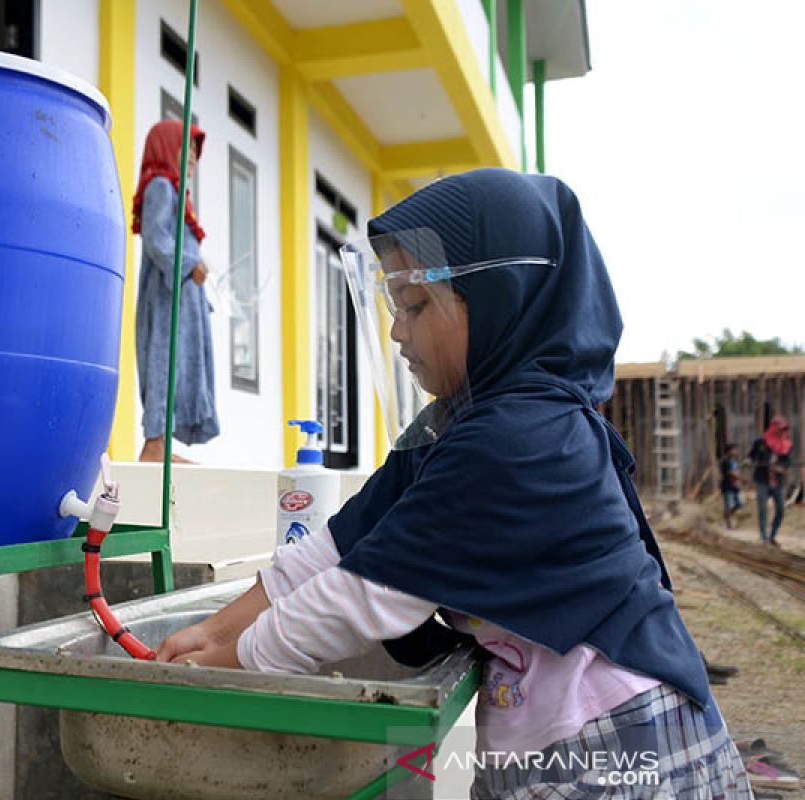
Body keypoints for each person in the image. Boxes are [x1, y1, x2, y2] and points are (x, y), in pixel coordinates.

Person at [156, 169, 752, 797]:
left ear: (498, 301)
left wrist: (224, 667)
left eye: (415, 307)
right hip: (546, 738)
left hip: (621, 739)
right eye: (393, 306)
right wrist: (213, 633)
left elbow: (367, 594)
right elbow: (338, 545)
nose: (396, 331)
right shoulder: (454, 426)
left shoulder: (522, 436)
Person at [131, 119, 219, 463]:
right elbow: (156, 238)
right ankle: (154, 443)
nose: (195, 156)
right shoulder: (161, 187)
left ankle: (162, 443)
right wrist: (188, 264)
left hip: (182, 297)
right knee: (163, 361)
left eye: (198, 149)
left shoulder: (179, 193)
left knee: (180, 365)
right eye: (189, 147)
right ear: (167, 147)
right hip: (167, 297)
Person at [749, 416, 791, 546]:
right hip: (763, 480)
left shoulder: (787, 444)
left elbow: (786, 463)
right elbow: (752, 456)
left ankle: (773, 535)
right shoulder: (760, 442)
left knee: (780, 510)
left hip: (778, 482)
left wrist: (781, 468)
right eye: (780, 428)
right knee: (762, 509)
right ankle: (764, 537)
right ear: (774, 428)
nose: (782, 431)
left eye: (784, 429)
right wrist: (748, 462)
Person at [719, 442, 743, 529]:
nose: (735, 451)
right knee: (728, 504)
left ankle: (727, 515)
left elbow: (736, 471)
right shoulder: (725, 461)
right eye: (734, 450)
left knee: (739, 503)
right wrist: (741, 478)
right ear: (729, 451)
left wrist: (739, 480)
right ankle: (729, 524)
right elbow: (730, 473)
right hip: (727, 485)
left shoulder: (734, 461)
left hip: (735, 485)